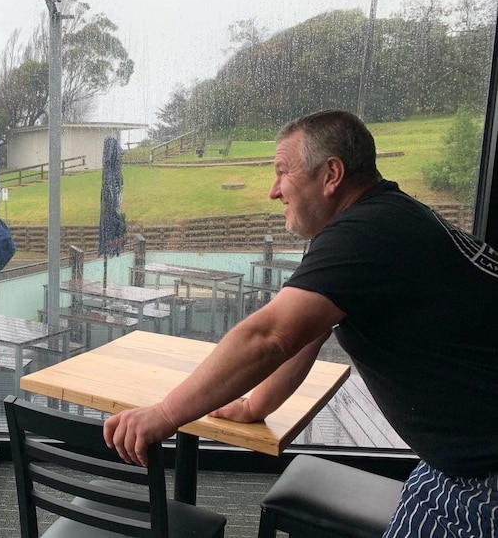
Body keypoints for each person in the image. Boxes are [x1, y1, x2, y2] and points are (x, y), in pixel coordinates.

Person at [103, 109, 498, 537]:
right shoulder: (374, 223)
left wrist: (165, 413)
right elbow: (302, 337)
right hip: (455, 465)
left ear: (331, 174)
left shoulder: (368, 232)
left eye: (283, 172)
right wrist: (255, 406)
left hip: (485, 481)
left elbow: (269, 336)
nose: (273, 191)